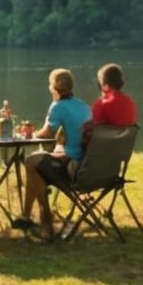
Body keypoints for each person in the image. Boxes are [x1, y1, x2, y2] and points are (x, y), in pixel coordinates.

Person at [14, 67, 92, 237]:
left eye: (50, 84)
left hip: (71, 164)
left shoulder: (58, 106)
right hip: (87, 163)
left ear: (54, 88)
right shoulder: (83, 105)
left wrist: (30, 134)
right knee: (37, 169)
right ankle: (29, 216)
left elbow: (47, 134)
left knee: (31, 162)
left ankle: (44, 216)